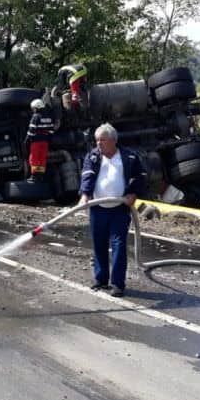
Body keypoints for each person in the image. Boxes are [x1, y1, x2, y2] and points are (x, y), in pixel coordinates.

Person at [78, 123, 146, 297]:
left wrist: (133, 193)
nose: (99, 143)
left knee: (119, 244)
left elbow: (141, 176)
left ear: (113, 141)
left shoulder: (129, 157)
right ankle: (101, 280)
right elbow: (87, 175)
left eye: (103, 140)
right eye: (97, 140)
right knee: (99, 243)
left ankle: (117, 284)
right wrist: (85, 195)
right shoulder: (93, 156)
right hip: (98, 207)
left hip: (119, 208)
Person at [25, 98, 55, 182]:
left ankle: (34, 176)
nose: (33, 110)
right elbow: (51, 130)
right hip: (45, 142)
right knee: (42, 158)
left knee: (34, 158)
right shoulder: (48, 117)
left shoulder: (36, 116)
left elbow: (32, 129)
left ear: (36, 107)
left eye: (33, 108)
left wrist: (27, 139)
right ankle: (41, 176)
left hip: (36, 142)